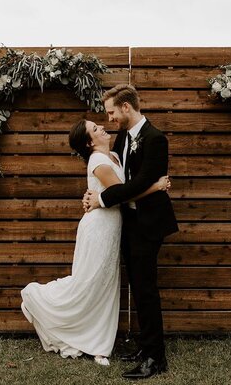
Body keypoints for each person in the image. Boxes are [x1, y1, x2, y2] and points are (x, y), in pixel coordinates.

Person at [20, 118, 170, 366]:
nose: (102, 127)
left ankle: (98, 342)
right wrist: (156, 186)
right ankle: (42, 302)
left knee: (104, 285)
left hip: (113, 229)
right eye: (95, 129)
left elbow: (121, 188)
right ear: (90, 142)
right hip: (98, 228)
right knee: (88, 282)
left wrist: (99, 196)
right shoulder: (98, 161)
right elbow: (124, 193)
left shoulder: (113, 154)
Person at [83, 84, 178, 380]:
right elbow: (119, 179)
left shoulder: (155, 139)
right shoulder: (123, 136)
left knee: (146, 289)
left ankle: (155, 358)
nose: (109, 118)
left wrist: (100, 200)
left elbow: (138, 185)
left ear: (126, 107)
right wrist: (96, 193)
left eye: (111, 112)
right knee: (137, 286)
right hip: (130, 222)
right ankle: (145, 345)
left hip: (149, 223)